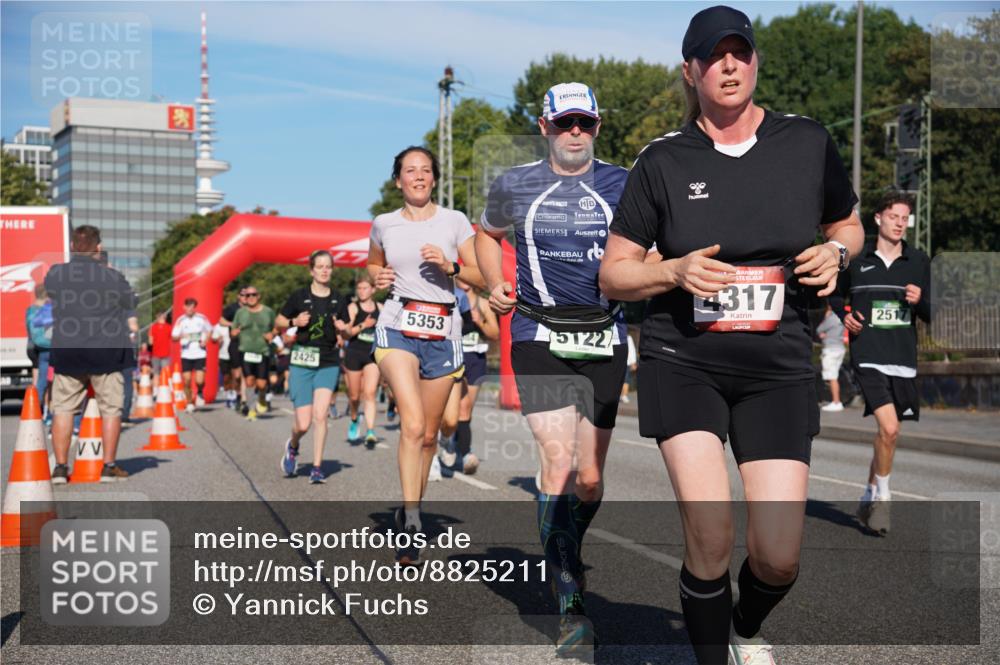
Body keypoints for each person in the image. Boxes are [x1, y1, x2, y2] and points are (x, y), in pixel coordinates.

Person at [597, 7, 865, 664]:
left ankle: (744, 626)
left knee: (777, 557)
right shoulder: (662, 159)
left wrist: (837, 253)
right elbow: (614, 273)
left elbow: (848, 225)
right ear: (690, 71)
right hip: (683, 360)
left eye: (739, 53)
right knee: (711, 534)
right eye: (712, 56)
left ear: (755, 62)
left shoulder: (806, 142)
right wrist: (673, 270)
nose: (728, 65)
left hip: (778, 365)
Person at [476, 81, 629, 655]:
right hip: (538, 333)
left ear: (597, 126)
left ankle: (567, 549)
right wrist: (494, 281)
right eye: (565, 122)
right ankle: (570, 603)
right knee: (558, 463)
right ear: (544, 127)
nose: (575, 132)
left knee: (589, 479)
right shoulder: (515, 184)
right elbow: (487, 236)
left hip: (604, 333)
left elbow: (655, 246)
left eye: (584, 122)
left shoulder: (624, 183)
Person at [367, 145, 484, 564]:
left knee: (431, 436)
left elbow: (481, 273)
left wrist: (452, 267)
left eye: (425, 170)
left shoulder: (454, 221)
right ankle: (413, 520)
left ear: (434, 178)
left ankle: (410, 506)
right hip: (398, 324)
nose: (418, 176)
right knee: (413, 425)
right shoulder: (384, 223)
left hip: (443, 330)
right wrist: (377, 277)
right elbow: (373, 264)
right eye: (409, 170)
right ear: (397, 180)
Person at [836, 191, 931, 535]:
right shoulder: (858, 260)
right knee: (889, 429)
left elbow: (933, 312)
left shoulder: (918, 261)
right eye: (894, 217)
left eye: (905, 218)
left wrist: (921, 301)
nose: (900, 224)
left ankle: (867, 494)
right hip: (868, 355)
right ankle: (884, 499)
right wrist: (845, 315)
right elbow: (834, 293)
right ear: (878, 218)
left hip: (902, 359)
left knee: (886, 436)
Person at [45, 225, 138, 483]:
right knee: (111, 409)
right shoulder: (112, 277)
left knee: (63, 409)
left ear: (72, 246)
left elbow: (50, 292)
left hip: (68, 351)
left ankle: (60, 468)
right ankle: (108, 466)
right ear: (99, 247)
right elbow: (130, 302)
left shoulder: (56, 274)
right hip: (106, 353)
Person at [275, 251, 347, 483]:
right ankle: (293, 445)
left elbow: (346, 332)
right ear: (311, 270)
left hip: (328, 361)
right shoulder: (299, 296)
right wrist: (294, 322)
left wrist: (343, 329)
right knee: (303, 424)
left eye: (328, 267)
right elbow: (278, 321)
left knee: (321, 415)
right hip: (302, 361)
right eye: (320, 266)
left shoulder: (339, 299)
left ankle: (317, 467)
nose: (324, 270)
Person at [438, 278, 499, 474]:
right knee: (458, 407)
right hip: (454, 356)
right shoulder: (449, 296)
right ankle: (463, 451)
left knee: (466, 410)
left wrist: (479, 321)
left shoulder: (483, 303)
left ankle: (456, 445)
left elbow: (495, 334)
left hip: (476, 358)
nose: (465, 281)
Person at [340, 274, 383, 448]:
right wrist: (364, 325)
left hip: (372, 355)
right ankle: (354, 418)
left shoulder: (381, 308)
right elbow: (346, 334)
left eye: (365, 288)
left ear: (373, 289)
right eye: (359, 288)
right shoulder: (353, 308)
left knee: (370, 393)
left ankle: (370, 431)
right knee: (354, 396)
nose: (361, 291)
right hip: (354, 353)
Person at [231, 286, 276, 421]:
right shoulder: (240, 313)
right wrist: (234, 333)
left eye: (253, 295)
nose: (250, 297)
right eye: (247, 295)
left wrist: (272, 334)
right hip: (245, 350)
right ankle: (251, 409)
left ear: (258, 296)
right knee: (249, 381)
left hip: (263, 351)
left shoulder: (268, 312)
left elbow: (276, 327)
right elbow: (233, 330)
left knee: (261, 384)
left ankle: (262, 397)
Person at [171, 297, 213, 410]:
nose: (190, 309)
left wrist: (205, 341)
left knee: (200, 380)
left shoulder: (202, 318)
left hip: (200, 353)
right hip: (186, 354)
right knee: (187, 380)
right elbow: (174, 337)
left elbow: (210, 330)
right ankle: (189, 402)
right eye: (188, 306)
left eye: (192, 307)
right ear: (184, 307)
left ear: (195, 308)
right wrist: (182, 336)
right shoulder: (180, 320)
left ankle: (200, 391)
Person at [26, 285, 53, 421]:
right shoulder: (47, 309)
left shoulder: (30, 310)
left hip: (34, 348)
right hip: (49, 349)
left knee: (39, 380)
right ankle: (48, 413)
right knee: (51, 382)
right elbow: (50, 332)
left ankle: (35, 409)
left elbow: (29, 329)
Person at [219, 289, 248, 410]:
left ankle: (244, 398)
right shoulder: (232, 308)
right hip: (235, 343)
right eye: (243, 295)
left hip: (249, 344)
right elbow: (221, 320)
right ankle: (238, 393)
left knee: (246, 372)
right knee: (236, 375)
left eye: (248, 295)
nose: (246, 297)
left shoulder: (253, 308)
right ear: (238, 296)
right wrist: (232, 324)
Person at [817, 302, 847, 412]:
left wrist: (826, 315)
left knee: (831, 376)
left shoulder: (831, 317)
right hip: (839, 347)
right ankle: (835, 401)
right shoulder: (842, 317)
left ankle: (836, 402)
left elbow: (819, 329)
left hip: (831, 349)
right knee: (834, 375)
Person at [211, 319, 233, 407]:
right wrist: (218, 340)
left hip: (235, 353)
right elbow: (213, 338)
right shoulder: (218, 326)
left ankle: (234, 395)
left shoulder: (236, 324)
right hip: (223, 355)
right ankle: (229, 394)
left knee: (235, 376)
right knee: (226, 376)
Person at [149, 311, 172, 377]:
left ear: (157, 317)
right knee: (165, 374)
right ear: (165, 317)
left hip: (155, 354)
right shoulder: (169, 327)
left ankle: (156, 384)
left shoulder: (153, 327)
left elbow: (150, 342)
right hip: (166, 354)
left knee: (156, 374)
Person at [620, 332, 638, 404]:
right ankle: (623, 395)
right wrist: (633, 362)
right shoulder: (627, 337)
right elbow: (632, 350)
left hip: (626, 362)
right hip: (625, 362)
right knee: (626, 380)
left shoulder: (628, 337)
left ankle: (623, 395)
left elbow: (631, 350)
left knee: (625, 379)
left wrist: (633, 362)